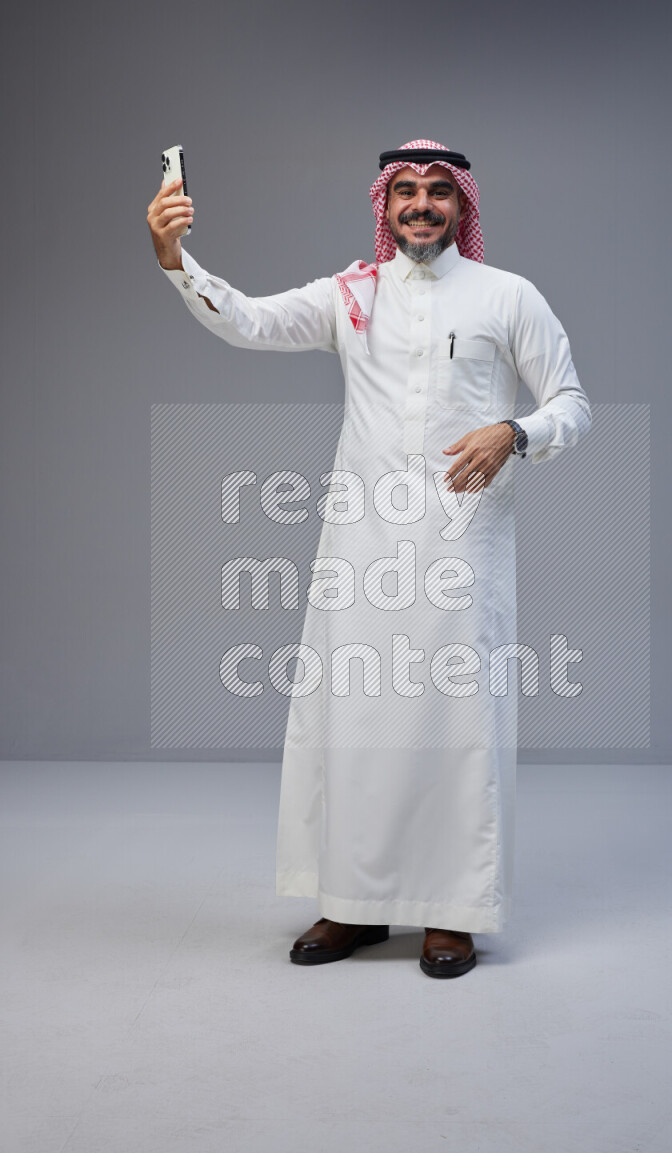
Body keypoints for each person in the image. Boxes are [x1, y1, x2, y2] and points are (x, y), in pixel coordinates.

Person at [147, 138, 591, 979]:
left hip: (465, 546)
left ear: (462, 206)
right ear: (384, 207)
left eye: (438, 193)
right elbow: (248, 318)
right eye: (406, 193)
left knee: (454, 725)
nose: (422, 205)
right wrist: (175, 258)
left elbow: (572, 403)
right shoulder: (352, 294)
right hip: (361, 545)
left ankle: (450, 913)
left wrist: (515, 431)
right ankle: (351, 904)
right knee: (354, 722)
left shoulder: (508, 296)